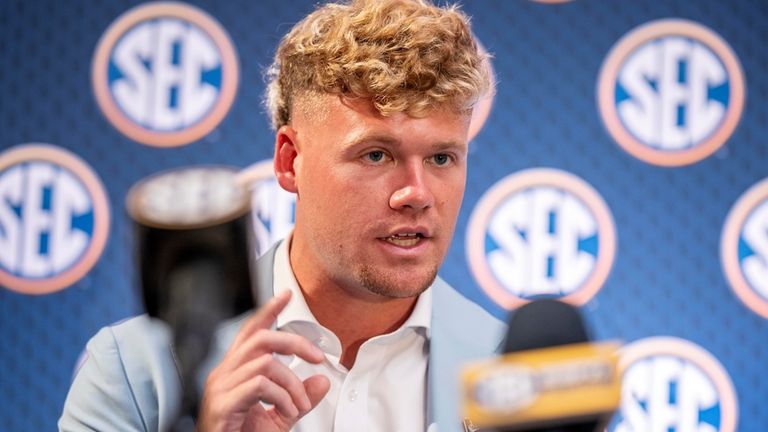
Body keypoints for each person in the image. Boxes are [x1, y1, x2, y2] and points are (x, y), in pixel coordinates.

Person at [59, 0, 504, 431]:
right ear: (290, 161)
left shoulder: (512, 371)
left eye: (442, 158)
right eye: (375, 155)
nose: (417, 194)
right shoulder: (131, 372)